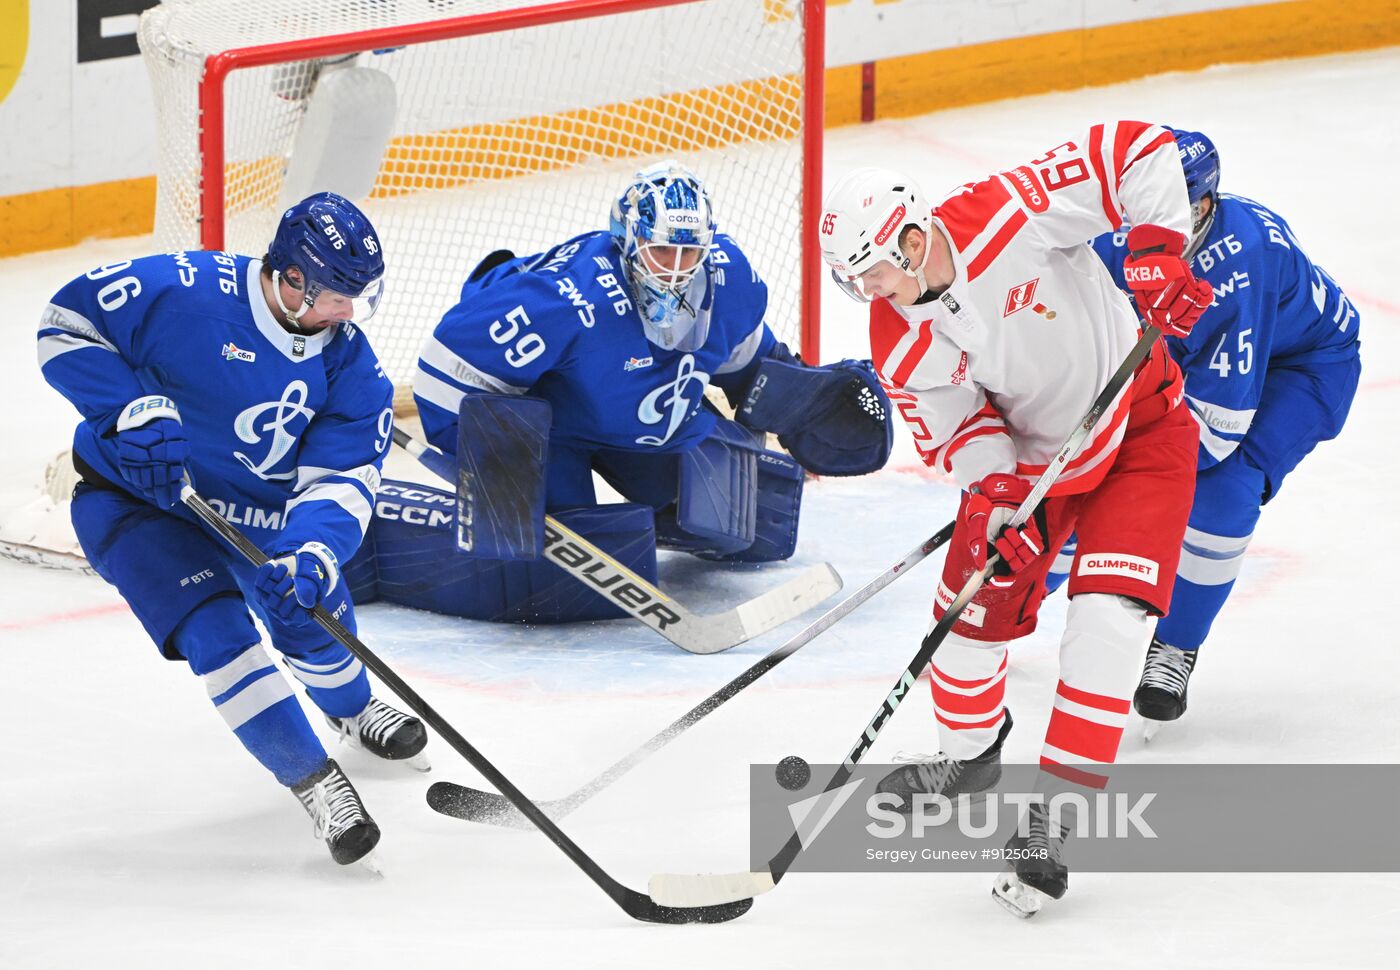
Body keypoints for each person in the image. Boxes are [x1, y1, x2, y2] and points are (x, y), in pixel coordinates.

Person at [818, 121, 1211, 916]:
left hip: (1140, 429)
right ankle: (968, 758)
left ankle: (1051, 829)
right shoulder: (895, 337)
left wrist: (1159, 250)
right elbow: (958, 426)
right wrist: (997, 496)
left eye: (873, 274)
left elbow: (1139, 150)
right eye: (853, 281)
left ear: (911, 237)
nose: (869, 293)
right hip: (1035, 468)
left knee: (1107, 631)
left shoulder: (1009, 213)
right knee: (965, 625)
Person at [37, 192, 427, 867]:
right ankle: (314, 780)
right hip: (132, 500)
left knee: (309, 611)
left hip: (256, 515)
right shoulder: (183, 289)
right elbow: (64, 322)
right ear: (293, 278)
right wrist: (128, 410)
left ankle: (353, 709)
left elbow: (341, 481)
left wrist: (311, 550)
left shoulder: (350, 367)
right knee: (219, 634)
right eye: (338, 295)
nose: (348, 314)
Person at [406, 161, 892, 623]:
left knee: (753, 530)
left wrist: (796, 399)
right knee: (566, 581)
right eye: (662, 251)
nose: (676, 270)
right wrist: (493, 468)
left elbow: (746, 360)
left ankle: (642, 514)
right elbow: (445, 365)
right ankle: (430, 539)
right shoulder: (570, 298)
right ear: (629, 240)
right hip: (553, 432)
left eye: (690, 253)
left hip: (643, 421)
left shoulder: (730, 280)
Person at [1045, 128, 1361, 729]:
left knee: (1221, 490)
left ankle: (1176, 644)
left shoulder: (1238, 265)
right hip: (1188, 358)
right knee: (1063, 460)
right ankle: (1029, 586)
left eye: (1180, 208)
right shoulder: (1108, 234)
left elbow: (1213, 434)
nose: (1160, 219)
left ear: (1207, 205)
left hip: (1298, 369)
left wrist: (1106, 456)